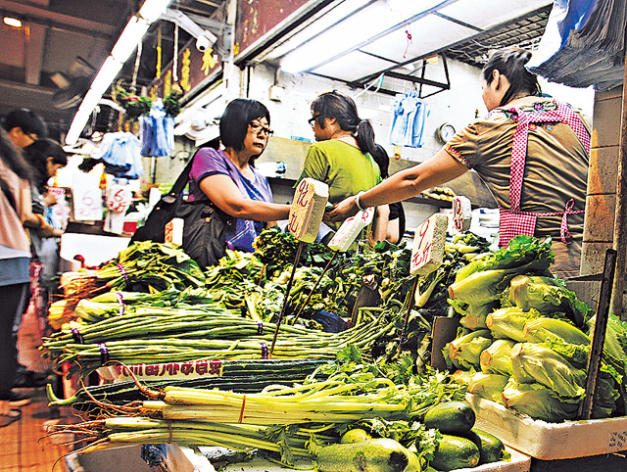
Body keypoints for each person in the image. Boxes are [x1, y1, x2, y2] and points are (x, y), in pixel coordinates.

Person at [328, 48, 590, 279]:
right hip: (595, 257)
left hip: (540, 266)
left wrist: (358, 202)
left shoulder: (490, 127)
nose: (484, 98)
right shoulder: (577, 117)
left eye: (484, 89)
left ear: (496, 79)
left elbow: (414, 180)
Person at [188, 99, 290, 252]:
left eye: (267, 130)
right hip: (211, 260)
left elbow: (271, 228)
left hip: (249, 266)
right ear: (235, 126)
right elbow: (236, 206)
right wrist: (299, 210)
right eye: (255, 126)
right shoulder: (209, 158)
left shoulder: (260, 179)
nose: (262, 135)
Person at [299, 91, 385, 234]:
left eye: (314, 120)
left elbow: (303, 205)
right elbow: (382, 210)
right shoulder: (371, 161)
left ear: (331, 119)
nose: (313, 126)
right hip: (358, 253)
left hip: (323, 251)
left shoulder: (321, 150)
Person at [0, 128, 34, 426]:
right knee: (4, 331)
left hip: (9, 258)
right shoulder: (15, 172)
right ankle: (2, 400)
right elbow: (24, 215)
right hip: (12, 257)